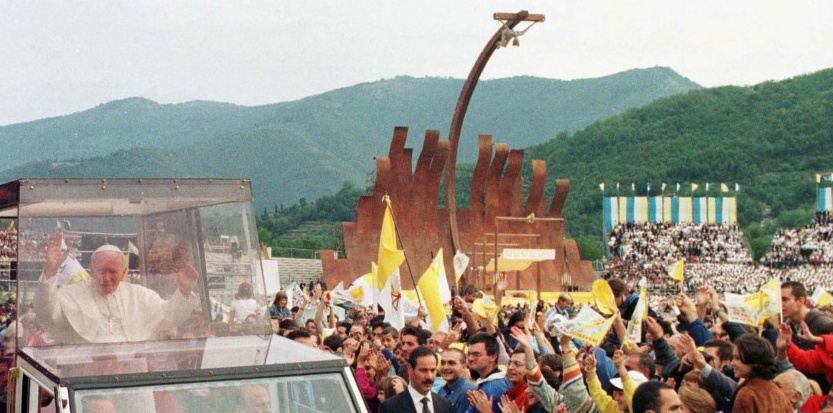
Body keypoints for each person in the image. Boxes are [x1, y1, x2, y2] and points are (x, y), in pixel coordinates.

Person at [34, 233, 198, 344]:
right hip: (86, 377)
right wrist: (50, 270)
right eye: (101, 271)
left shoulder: (139, 296)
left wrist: (184, 291)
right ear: (91, 270)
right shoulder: (71, 294)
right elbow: (47, 313)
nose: (106, 278)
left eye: (112, 272)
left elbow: (169, 317)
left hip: (132, 377)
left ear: (124, 272)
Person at [729, 333, 793, 413]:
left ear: (754, 360)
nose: (732, 363)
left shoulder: (747, 395)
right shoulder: (778, 392)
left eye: (737, 358)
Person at [378, 346, 452, 413]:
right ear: (410, 369)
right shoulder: (390, 407)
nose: (429, 376)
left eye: (432, 370)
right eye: (423, 370)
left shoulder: (445, 405)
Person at [466, 333, 510, 413]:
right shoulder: (501, 380)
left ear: (493, 357)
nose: (470, 358)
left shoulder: (490, 390)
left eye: (477, 354)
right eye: (469, 354)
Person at [438, 348, 477, 413]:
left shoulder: (469, 392)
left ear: (464, 367)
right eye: (443, 363)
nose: (445, 367)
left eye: (451, 363)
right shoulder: (442, 390)